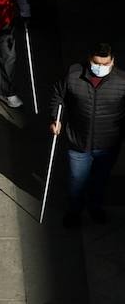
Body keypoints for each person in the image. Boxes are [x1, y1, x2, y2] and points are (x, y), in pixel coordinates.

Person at [48, 43, 125, 227]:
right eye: (97, 63)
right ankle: (74, 211)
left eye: (105, 64)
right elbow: (59, 95)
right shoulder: (74, 75)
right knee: (76, 181)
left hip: (107, 144)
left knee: (100, 180)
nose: (101, 68)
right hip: (78, 141)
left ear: (112, 61)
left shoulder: (122, 82)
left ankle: (95, 208)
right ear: (90, 59)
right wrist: (55, 118)